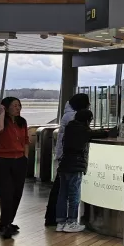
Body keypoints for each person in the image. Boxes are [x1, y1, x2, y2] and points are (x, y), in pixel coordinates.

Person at [45, 93, 91, 227]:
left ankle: (58, 220)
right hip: (74, 161)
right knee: (73, 192)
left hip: (64, 159)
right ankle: (71, 221)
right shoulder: (74, 118)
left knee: (61, 191)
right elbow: (85, 133)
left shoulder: (67, 115)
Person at [0, 97, 29, 239]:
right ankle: (3, 224)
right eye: (14, 106)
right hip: (2, 161)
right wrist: (1, 114)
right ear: (6, 107)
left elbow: (26, 141)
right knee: (5, 193)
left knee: (16, 194)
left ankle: (8, 222)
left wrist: (25, 157)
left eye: (19, 105)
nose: (18, 108)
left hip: (19, 160)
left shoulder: (22, 122)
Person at [56, 109, 94, 233]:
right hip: (76, 164)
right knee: (74, 194)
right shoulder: (83, 130)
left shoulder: (70, 127)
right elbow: (97, 134)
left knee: (63, 194)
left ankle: (60, 222)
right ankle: (72, 221)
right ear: (87, 120)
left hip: (65, 163)